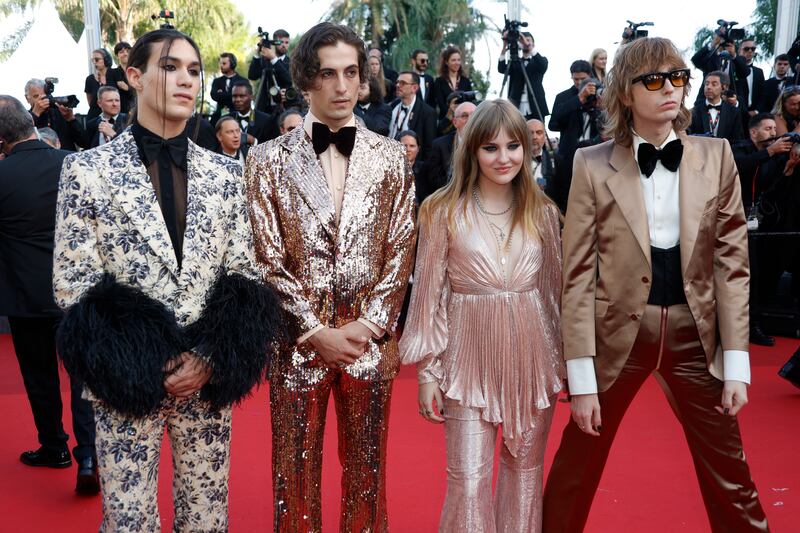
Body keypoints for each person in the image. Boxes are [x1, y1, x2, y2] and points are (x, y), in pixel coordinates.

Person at [53, 28, 281, 532]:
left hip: (205, 379)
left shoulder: (226, 176)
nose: (186, 80)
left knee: (206, 518)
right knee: (128, 522)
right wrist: (143, 356)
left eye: (195, 71)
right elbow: (73, 283)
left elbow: (245, 273)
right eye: (171, 67)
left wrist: (209, 356)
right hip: (124, 380)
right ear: (133, 76)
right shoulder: (85, 170)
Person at [542, 37, 769, 533]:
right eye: (654, 80)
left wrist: (737, 364)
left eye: (678, 77)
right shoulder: (591, 163)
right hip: (615, 336)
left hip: (697, 336)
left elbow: (732, 266)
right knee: (574, 471)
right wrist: (580, 380)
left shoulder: (717, 155)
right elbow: (577, 274)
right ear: (626, 92)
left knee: (732, 476)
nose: (670, 88)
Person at [245, 22, 416, 532]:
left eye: (351, 73)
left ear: (363, 80)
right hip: (297, 346)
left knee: (368, 476)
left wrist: (366, 327)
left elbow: (402, 247)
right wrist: (316, 332)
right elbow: (264, 257)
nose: (342, 86)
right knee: (293, 478)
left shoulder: (391, 157)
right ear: (305, 81)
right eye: (327, 74)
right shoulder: (265, 160)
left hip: (370, 346)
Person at [400, 99, 564, 532]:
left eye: (514, 146)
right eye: (491, 147)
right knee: (468, 481)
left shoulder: (544, 213)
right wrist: (427, 371)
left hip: (533, 361)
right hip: (464, 363)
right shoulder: (440, 210)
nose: (504, 157)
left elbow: (553, 295)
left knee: (525, 478)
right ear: (472, 150)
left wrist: (564, 366)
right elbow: (429, 295)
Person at [0, 95, 98, 494]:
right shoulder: (75, 164)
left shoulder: (2, 176)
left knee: (39, 376)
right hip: (77, 293)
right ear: (29, 122)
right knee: (82, 378)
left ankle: (54, 446)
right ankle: (88, 455)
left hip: (25, 296)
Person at [732, 113, 794, 347]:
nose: (773, 133)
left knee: (754, 276)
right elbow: (739, 166)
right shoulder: (736, 148)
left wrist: (785, 169)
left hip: (754, 224)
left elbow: (765, 188)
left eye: (774, 129)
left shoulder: (768, 157)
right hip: (728, 223)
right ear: (753, 132)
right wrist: (771, 152)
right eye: (767, 129)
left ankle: (751, 325)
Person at [420, 101, 476, 204]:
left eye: (474, 115)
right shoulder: (439, 145)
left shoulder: (487, 144)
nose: (470, 119)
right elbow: (434, 180)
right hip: (449, 201)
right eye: (464, 116)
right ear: (455, 122)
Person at [549, 60, 599, 162]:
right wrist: (578, 99)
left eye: (583, 79)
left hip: (595, 152)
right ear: (571, 76)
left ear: (590, 76)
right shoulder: (562, 97)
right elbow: (552, 125)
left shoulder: (598, 94)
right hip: (569, 155)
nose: (579, 82)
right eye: (576, 79)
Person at [498, 32, 549, 121]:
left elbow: (543, 65)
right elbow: (502, 69)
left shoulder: (539, 61)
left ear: (533, 43)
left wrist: (528, 46)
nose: (524, 42)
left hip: (535, 105)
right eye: (521, 40)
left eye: (528, 40)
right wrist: (504, 47)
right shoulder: (515, 62)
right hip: (516, 104)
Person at [25, 78, 84, 152]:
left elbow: (84, 143)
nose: (42, 101)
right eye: (36, 96)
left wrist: (71, 120)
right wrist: (35, 114)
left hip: (65, 158)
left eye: (44, 96)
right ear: (27, 98)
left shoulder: (60, 113)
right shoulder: (25, 118)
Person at [390, 71, 437, 159]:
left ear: (414, 88)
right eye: (397, 82)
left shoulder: (427, 113)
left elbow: (429, 147)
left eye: (402, 83)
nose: (397, 85)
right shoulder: (392, 107)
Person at [689, 70, 745, 142]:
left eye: (714, 84)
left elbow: (737, 140)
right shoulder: (694, 112)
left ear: (724, 87)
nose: (708, 87)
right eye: (706, 84)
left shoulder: (734, 112)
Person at [249, 28, 292, 113]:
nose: (284, 45)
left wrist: (274, 59)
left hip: (284, 107)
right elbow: (252, 76)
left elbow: (288, 80)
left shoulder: (292, 62)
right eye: (281, 42)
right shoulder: (264, 60)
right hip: (264, 107)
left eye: (286, 42)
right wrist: (257, 54)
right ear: (274, 42)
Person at [229, 79, 278, 144]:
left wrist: (254, 141)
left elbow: (271, 147)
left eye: (242, 96)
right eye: (234, 96)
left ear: (252, 97)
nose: (238, 100)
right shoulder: (226, 120)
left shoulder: (266, 120)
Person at [433, 45, 473, 119]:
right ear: (446, 62)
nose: (457, 63)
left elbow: (470, 102)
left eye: (458, 60)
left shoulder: (465, 81)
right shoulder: (439, 82)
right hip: (446, 121)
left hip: (464, 120)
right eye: (453, 60)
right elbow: (441, 104)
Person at [210, 52, 247, 124]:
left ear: (232, 64)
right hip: (219, 116)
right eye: (220, 63)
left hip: (237, 116)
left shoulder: (242, 81)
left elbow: (243, 98)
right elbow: (214, 96)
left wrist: (221, 94)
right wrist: (232, 95)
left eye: (224, 64)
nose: (221, 66)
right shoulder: (217, 81)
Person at [736, 39, 765, 128]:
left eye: (753, 49)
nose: (750, 51)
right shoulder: (732, 68)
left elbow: (763, 94)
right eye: (746, 49)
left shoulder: (758, 72)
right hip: (736, 111)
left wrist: (757, 111)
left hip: (753, 115)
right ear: (739, 50)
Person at [84, 48, 115, 120]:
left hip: (114, 117)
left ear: (106, 60)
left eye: (97, 59)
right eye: (93, 60)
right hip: (95, 117)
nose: (94, 62)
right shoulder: (90, 79)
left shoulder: (116, 74)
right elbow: (90, 102)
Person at [109, 42, 133, 113]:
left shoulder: (137, 71)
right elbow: (112, 93)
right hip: (120, 112)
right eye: (121, 52)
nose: (125, 54)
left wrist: (128, 88)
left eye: (128, 51)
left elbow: (142, 92)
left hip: (137, 112)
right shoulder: (112, 73)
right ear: (117, 55)